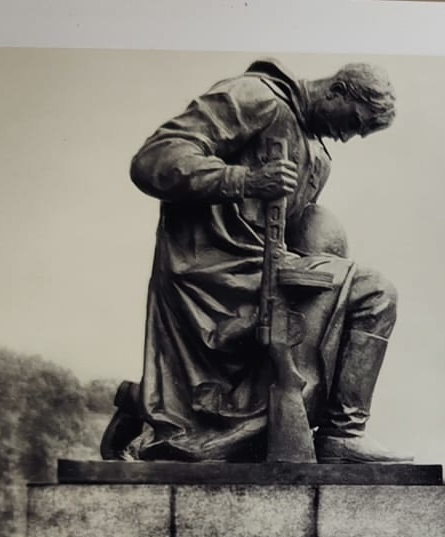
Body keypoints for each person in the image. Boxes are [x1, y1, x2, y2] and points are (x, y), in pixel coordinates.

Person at [106, 59, 410, 464]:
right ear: (337, 91)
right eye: (354, 122)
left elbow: (294, 226)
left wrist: (324, 254)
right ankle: (342, 433)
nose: (349, 136)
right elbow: (154, 160)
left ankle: (146, 400)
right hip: (209, 274)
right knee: (374, 293)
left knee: (351, 297)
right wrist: (243, 180)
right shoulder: (256, 96)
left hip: (269, 267)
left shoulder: (318, 155)